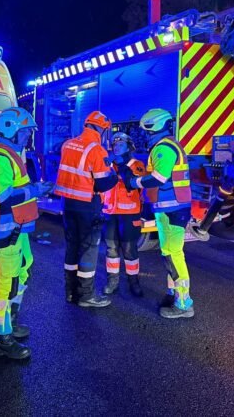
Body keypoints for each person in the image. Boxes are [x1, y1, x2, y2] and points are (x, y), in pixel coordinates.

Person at [0, 107, 53, 360]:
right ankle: (1, 338)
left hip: (18, 227)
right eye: (25, 132)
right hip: (7, 231)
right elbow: (5, 196)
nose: (28, 137)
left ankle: (9, 322)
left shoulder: (11, 155)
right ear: (10, 130)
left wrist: (36, 188)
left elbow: (17, 189)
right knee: (8, 281)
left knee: (24, 269)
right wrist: (36, 190)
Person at [126, 108, 194, 318]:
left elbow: (158, 178)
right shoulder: (166, 145)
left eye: (145, 130)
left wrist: (134, 182)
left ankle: (183, 304)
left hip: (173, 209)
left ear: (152, 126)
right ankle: (173, 294)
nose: (144, 134)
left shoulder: (163, 148)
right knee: (169, 253)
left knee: (173, 255)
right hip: (171, 208)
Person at [55, 110, 118, 308]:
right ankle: (87, 295)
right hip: (88, 206)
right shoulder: (97, 150)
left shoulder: (68, 144)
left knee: (72, 247)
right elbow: (101, 184)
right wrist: (115, 177)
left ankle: (70, 292)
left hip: (68, 204)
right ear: (102, 129)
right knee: (89, 249)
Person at [102, 132, 147, 297]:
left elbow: (132, 183)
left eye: (121, 145)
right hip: (109, 213)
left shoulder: (137, 165)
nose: (116, 147)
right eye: (115, 145)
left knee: (129, 250)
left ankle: (134, 283)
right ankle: (112, 282)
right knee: (111, 249)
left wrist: (120, 164)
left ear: (128, 148)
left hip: (129, 214)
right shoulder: (108, 165)